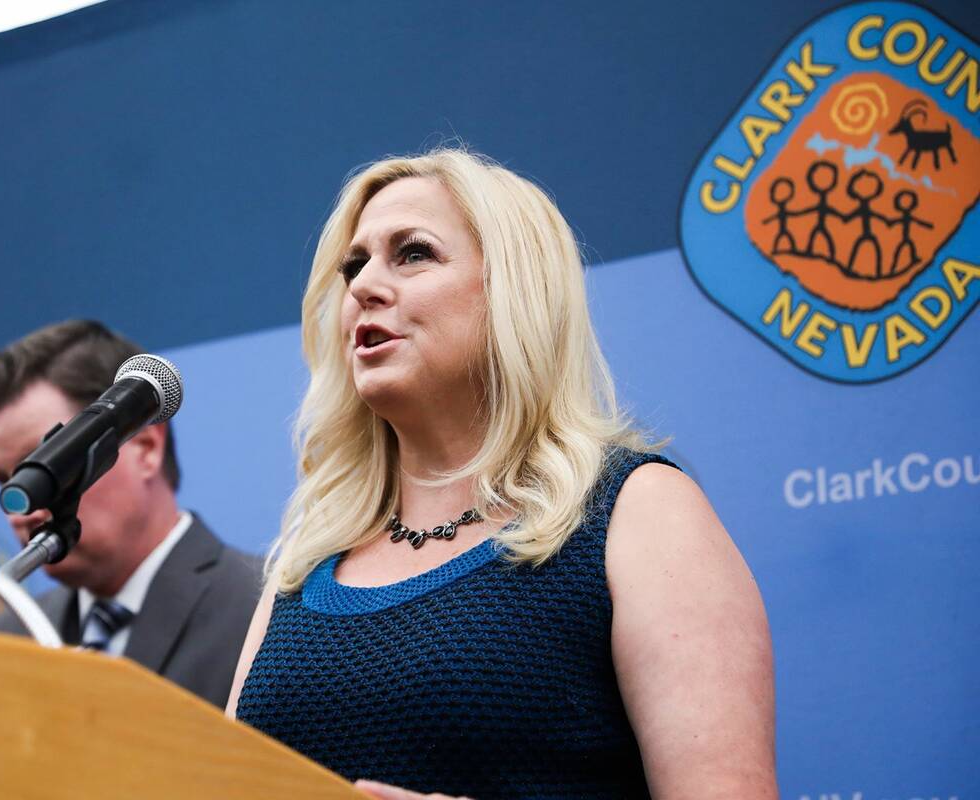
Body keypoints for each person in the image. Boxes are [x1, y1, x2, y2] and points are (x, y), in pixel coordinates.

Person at [228, 150, 777, 799]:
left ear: (514, 290)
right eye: (355, 265)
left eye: (413, 253)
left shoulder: (637, 513)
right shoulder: (308, 561)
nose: (364, 286)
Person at [0, 319, 261, 708]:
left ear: (145, 448)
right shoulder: (3, 648)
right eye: (5, 481)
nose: (22, 509)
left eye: (41, 470)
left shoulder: (266, 613)